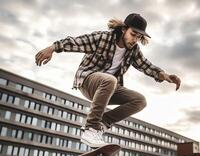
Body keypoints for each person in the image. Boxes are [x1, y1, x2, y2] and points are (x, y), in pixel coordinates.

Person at [35, 13, 181, 148]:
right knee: (110, 80)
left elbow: (146, 66)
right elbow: (77, 42)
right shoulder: (103, 38)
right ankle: (90, 128)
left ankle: (102, 125)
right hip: (88, 81)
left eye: (138, 37)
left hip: (108, 89)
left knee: (140, 100)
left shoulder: (133, 50)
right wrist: (53, 48)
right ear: (124, 29)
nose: (135, 39)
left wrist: (165, 75)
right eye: (133, 34)